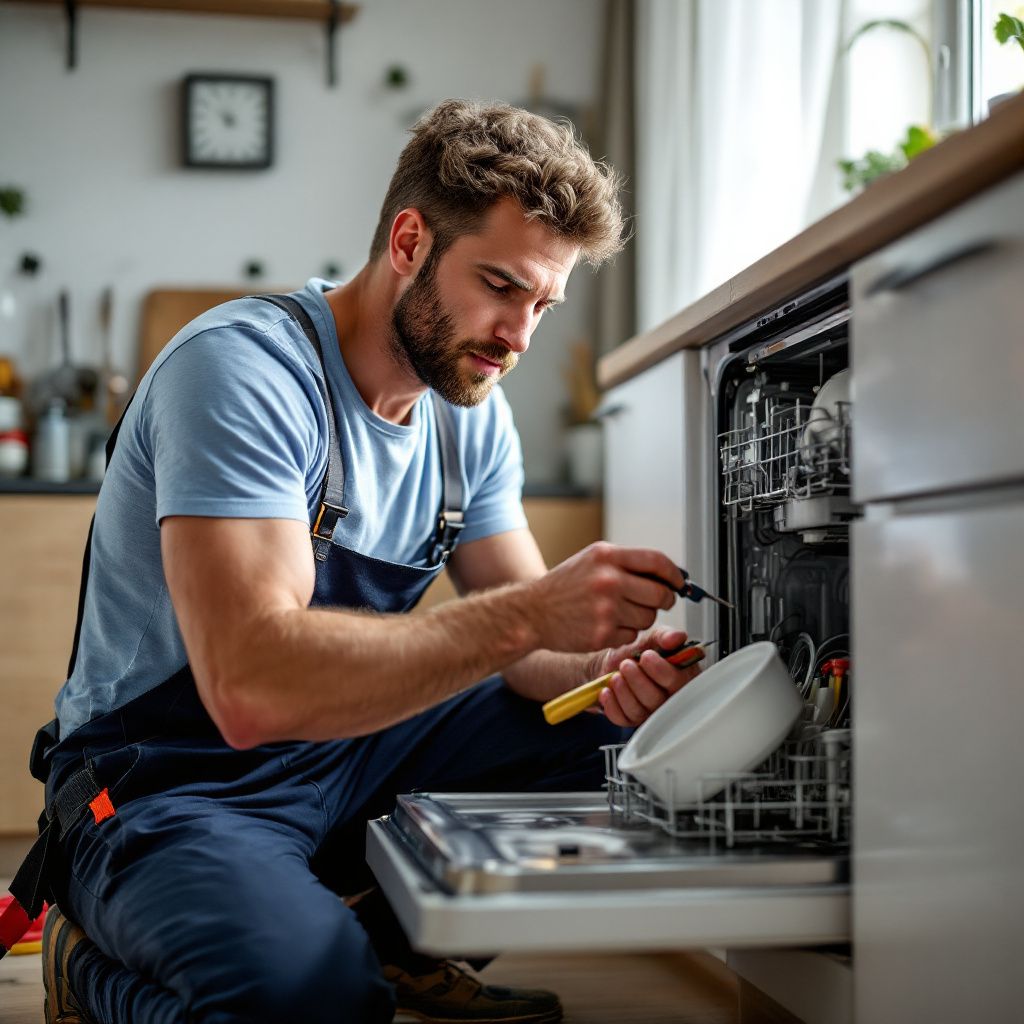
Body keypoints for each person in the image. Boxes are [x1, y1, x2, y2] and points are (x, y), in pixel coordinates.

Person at [21, 99, 699, 1024]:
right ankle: (87, 965)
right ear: (410, 241)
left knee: (625, 740)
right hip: (171, 780)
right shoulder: (246, 372)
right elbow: (250, 685)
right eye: (500, 285)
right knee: (311, 998)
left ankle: (392, 953)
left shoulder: (471, 421)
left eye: (543, 302)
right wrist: (534, 613)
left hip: (341, 749)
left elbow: (526, 661)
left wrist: (603, 671)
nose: (520, 336)